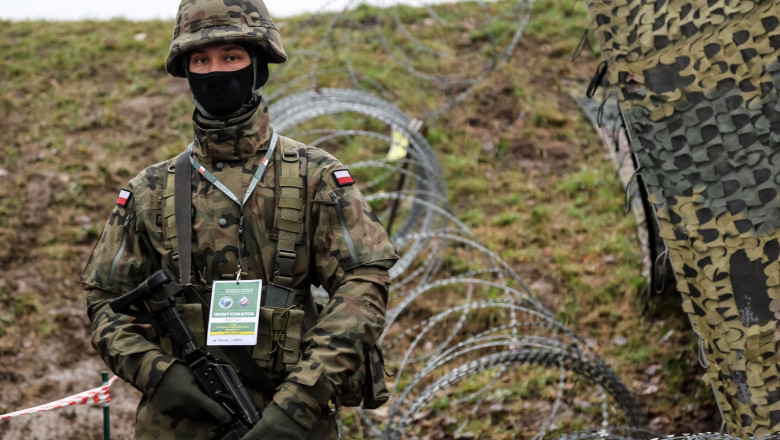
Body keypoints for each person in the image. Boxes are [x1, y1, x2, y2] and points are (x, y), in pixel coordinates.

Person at [80, 1, 398, 439]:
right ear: (186, 72)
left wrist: (299, 403)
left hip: (295, 422)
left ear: (258, 66)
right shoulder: (149, 190)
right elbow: (105, 302)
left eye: (231, 57)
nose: (215, 72)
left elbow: (363, 288)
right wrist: (158, 374)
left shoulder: (316, 176)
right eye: (201, 60)